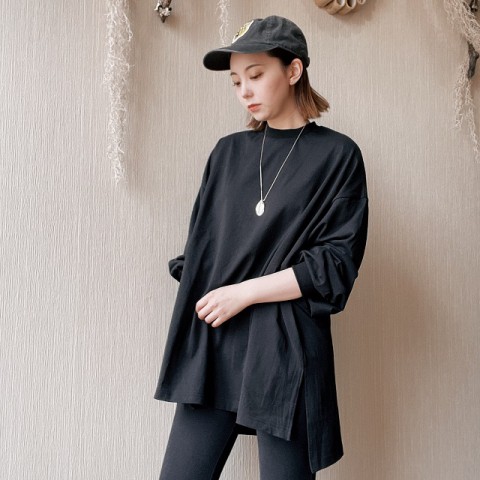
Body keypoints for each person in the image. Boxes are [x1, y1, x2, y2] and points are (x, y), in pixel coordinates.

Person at [154, 15, 369, 480]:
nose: (244, 91)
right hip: (217, 341)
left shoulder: (338, 155)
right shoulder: (227, 153)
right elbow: (203, 248)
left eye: (255, 75)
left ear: (293, 70)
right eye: (236, 81)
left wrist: (244, 292)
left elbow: (335, 264)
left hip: (284, 346)